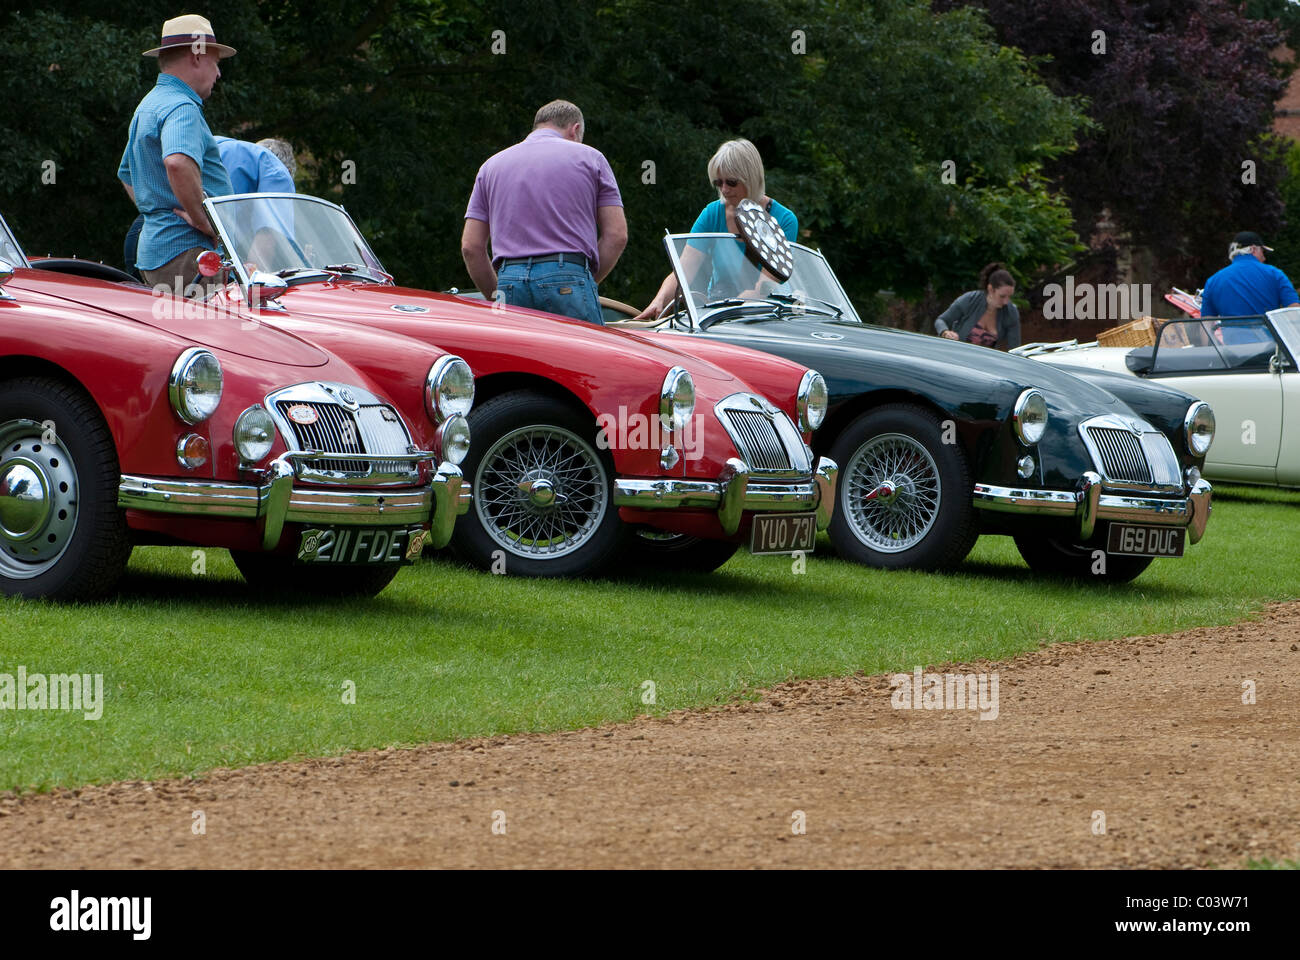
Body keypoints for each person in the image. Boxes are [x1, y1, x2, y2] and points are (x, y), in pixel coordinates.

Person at [461, 100, 627, 325]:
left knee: (520, 361)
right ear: (575, 129)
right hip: (568, 275)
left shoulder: (491, 166)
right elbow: (617, 235)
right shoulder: (591, 158)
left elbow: (471, 247)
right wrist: (583, 279)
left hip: (510, 281)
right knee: (581, 360)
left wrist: (496, 295)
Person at [117, 14, 235, 297]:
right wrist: (204, 221)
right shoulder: (182, 106)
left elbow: (126, 174)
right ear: (197, 56)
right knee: (216, 338)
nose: (218, 73)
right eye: (215, 62)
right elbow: (178, 162)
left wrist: (157, 213)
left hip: (158, 252)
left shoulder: (149, 104)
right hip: (190, 254)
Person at [634, 138, 798, 320]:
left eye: (732, 182)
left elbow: (765, 287)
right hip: (721, 312)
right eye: (719, 183)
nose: (725, 189)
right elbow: (683, 271)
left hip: (769, 315)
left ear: (751, 178)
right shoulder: (712, 213)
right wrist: (659, 301)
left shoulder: (784, 219)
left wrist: (725, 312)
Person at [124, 136, 295, 277]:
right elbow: (266, 239)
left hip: (145, 239)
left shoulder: (214, 142)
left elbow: (127, 172)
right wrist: (254, 281)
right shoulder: (276, 170)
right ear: (288, 171)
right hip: (188, 254)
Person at [1199, 231, 1299, 344]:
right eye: (1262, 251)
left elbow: (1205, 324)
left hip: (1233, 355)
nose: (1264, 257)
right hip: (1270, 352)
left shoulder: (1213, 281)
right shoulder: (1275, 274)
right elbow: (1294, 310)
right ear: (1253, 249)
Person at [935, 263, 1021, 350]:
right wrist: (945, 332)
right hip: (956, 354)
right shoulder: (970, 299)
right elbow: (941, 320)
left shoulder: (1011, 312)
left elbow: (1015, 348)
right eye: (1002, 296)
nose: (1006, 302)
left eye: (1009, 296)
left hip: (984, 361)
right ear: (990, 289)